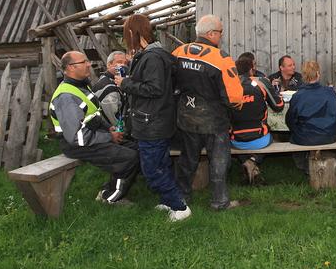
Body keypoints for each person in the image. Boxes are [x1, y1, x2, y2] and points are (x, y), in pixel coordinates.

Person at [116, 14, 190, 222]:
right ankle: (168, 201)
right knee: (161, 164)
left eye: (126, 34)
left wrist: (126, 83)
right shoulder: (153, 55)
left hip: (152, 122)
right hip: (157, 119)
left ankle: (180, 207)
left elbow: (155, 88)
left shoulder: (153, 57)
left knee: (152, 170)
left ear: (132, 33)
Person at [172, 14, 244, 210]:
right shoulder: (221, 58)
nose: (221, 37)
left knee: (187, 159)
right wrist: (237, 108)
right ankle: (219, 201)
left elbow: (171, 83)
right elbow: (234, 97)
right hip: (214, 120)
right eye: (220, 32)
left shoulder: (179, 52)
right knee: (219, 161)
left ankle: (182, 198)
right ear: (211, 33)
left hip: (186, 115)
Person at [50, 51, 139, 204]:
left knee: (137, 149)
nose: (89, 64)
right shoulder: (66, 97)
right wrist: (109, 137)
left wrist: (109, 128)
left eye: (87, 61)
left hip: (92, 135)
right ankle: (111, 199)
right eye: (83, 62)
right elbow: (77, 137)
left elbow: (93, 115)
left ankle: (107, 190)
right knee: (129, 158)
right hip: (77, 144)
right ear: (70, 68)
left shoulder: (80, 86)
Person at [230, 53, 284, 184]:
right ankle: (253, 161)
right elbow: (278, 106)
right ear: (251, 69)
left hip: (235, 140)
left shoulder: (229, 86)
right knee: (274, 137)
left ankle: (245, 162)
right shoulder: (261, 82)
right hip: (260, 139)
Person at [286, 61, 336, 146]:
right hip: (329, 136)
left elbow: (290, 120)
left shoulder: (298, 96)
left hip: (304, 138)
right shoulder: (330, 93)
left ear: (303, 76)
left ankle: (302, 158)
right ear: (318, 74)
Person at [92, 50, 128, 129]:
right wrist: (123, 133)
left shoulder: (108, 79)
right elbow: (114, 120)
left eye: (125, 63)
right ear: (109, 65)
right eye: (119, 62)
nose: (123, 65)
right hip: (111, 133)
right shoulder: (109, 88)